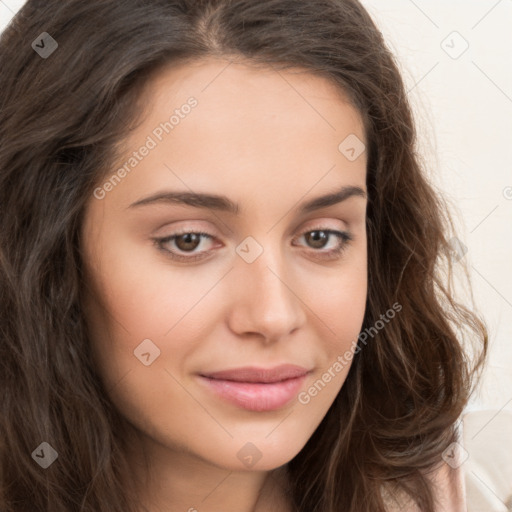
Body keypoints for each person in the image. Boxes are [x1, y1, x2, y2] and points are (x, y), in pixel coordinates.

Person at [0, 1, 488, 511]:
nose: (273, 316)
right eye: (188, 240)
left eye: (321, 237)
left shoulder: (440, 491)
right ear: (47, 253)